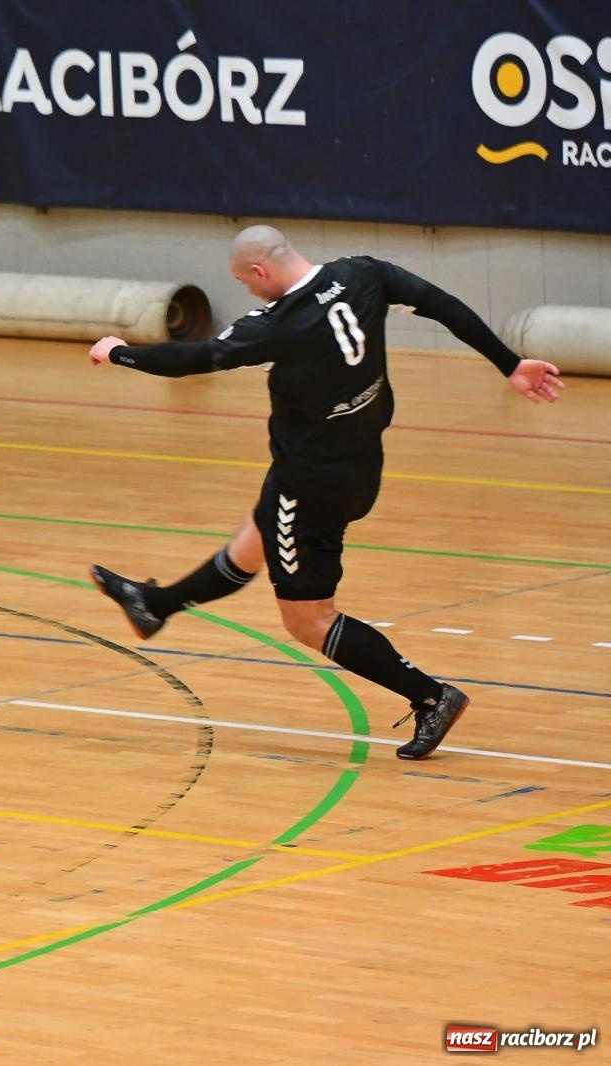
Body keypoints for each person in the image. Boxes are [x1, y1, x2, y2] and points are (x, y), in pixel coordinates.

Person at [86, 225, 563, 761]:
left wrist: (119, 353)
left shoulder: (275, 324)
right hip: (360, 466)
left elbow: (191, 360)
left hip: (309, 486)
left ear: (260, 272)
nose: (248, 291)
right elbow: (442, 305)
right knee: (254, 539)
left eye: (244, 282)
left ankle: (432, 697)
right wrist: (509, 363)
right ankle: (154, 605)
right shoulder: (364, 274)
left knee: (307, 619)